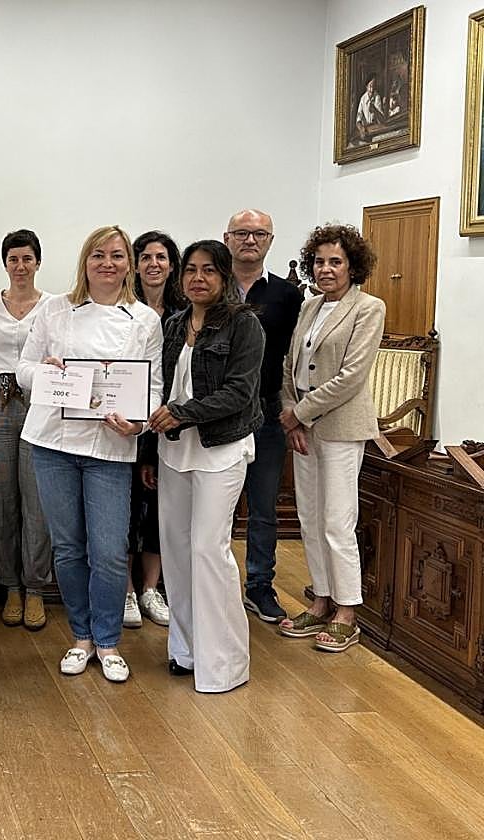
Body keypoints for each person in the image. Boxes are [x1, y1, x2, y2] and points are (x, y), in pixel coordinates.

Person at [16, 225, 163, 683]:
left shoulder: (144, 320)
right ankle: (81, 637)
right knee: (68, 548)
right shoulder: (55, 311)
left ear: (129, 264)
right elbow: (20, 369)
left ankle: (108, 639)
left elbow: (153, 386)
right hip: (54, 444)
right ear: (85, 261)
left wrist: (138, 423)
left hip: (111, 446)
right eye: (98, 254)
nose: (107, 263)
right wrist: (47, 372)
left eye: (117, 255)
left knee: (110, 551)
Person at [145, 240, 264, 693]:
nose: (198, 278)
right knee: (176, 552)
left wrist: (183, 413)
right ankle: (187, 649)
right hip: (174, 451)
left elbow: (240, 393)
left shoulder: (244, 324)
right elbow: (156, 385)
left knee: (208, 551)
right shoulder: (173, 324)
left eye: (209, 270)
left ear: (224, 276)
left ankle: (226, 663)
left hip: (220, 450)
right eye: (191, 270)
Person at [278, 223, 385, 653]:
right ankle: (321, 598)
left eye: (335, 261)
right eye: (319, 261)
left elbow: (350, 377)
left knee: (338, 520)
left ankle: (347, 611)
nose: (326, 269)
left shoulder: (368, 308)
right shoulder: (309, 307)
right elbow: (290, 364)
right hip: (304, 426)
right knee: (310, 516)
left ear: (352, 266)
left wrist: (299, 414)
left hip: (340, 427)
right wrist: (293, 414)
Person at [224, 209, 303, 624]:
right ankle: (213, 585)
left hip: (267, 413)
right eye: (242, 233)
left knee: (263, 507)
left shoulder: (287, 296)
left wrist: (294, 408)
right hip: (217, 416)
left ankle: (259, 586)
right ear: (227, 237)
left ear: (270, 241)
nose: (249, 240)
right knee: (214, 508)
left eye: (259, 234)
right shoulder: (211, 287)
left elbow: (295, 358)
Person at [0, 229, 53, 630]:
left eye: (27, 259)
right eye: (13, 259)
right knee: (0, 497)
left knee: (37, 499)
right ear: (4, 263)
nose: (20, 267)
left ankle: (36, 587)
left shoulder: (56, 306)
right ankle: (10, 587)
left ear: (38, 262)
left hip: (42, 406)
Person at [124, 230, 185, 630]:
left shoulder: (186, 312)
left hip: (172, 424)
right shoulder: (124, 309)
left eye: (161, 257)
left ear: (171, 265)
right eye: (145, 257)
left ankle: (151, 589)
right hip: (127, 424)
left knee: (161, 512)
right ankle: (127, 590)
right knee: (126, 510)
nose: (153, 264)